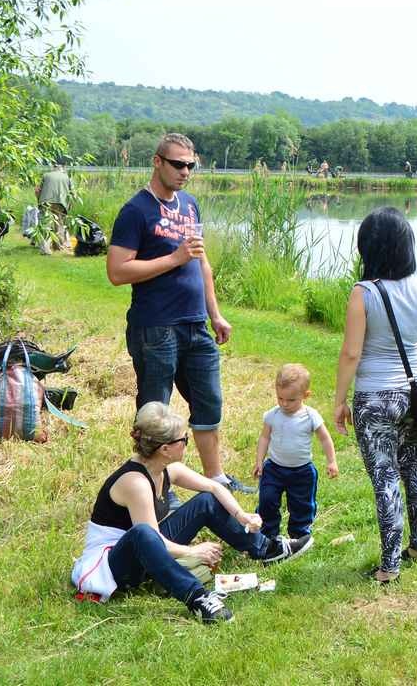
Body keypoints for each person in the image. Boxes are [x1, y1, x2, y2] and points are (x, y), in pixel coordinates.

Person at [107, 133, 252, 496]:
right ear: (157, 162)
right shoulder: (136, 210)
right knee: (155, 412)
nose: (185, 171)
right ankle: (155, 487)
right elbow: (117, 272)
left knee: (209, 402)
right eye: (178, 164)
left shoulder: (190, 205)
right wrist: (173, 259)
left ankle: (216, 479)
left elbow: (202, 263)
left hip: (195, 325)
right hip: (156, 326)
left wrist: (215, 314)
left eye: (190, 165)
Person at [70, 403, 307, 623]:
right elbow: (153, 539)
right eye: (184, 439)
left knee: (206, 501)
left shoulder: (166, 468)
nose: (187, 442)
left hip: (148, 551)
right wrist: (193, 551)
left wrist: (241, 515)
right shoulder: (136, 483)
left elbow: (213, 487)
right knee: (143, 533)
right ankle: (198, 598)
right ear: (165, 449)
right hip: (116, 566)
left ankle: (266, 549)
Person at [334, 207, 417, 584]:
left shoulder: (364, 293)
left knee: (385, 477)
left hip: (376, 396)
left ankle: (389, 566)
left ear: (369, 247)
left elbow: (351, 353)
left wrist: (339, 400)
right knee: (415, 469)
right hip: (415, 390)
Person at [253, 363, 338, 552]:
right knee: (267, 500)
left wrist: (331, 461)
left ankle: (300, 536)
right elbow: (264, 437)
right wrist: (259, 461)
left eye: (291, 400)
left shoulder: (311, 416)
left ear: (305, 395)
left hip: (302, 471)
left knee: (302, 504)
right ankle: (268, 535)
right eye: (280, 398)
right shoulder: (272, 415)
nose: (284, 404)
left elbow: (325, 438)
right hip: (274, 468)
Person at [35, 159, 74, 253]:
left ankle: (45, 249)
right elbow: (72, 194)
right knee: (59, 224)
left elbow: (37, 190)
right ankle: (58, 246)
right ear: (62, 168)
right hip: (61, 203)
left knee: (45, 224)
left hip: (45, 202)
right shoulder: (67, 177)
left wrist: (39, 201)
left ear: (53, 168)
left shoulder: (46, 175)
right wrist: (69, 206)